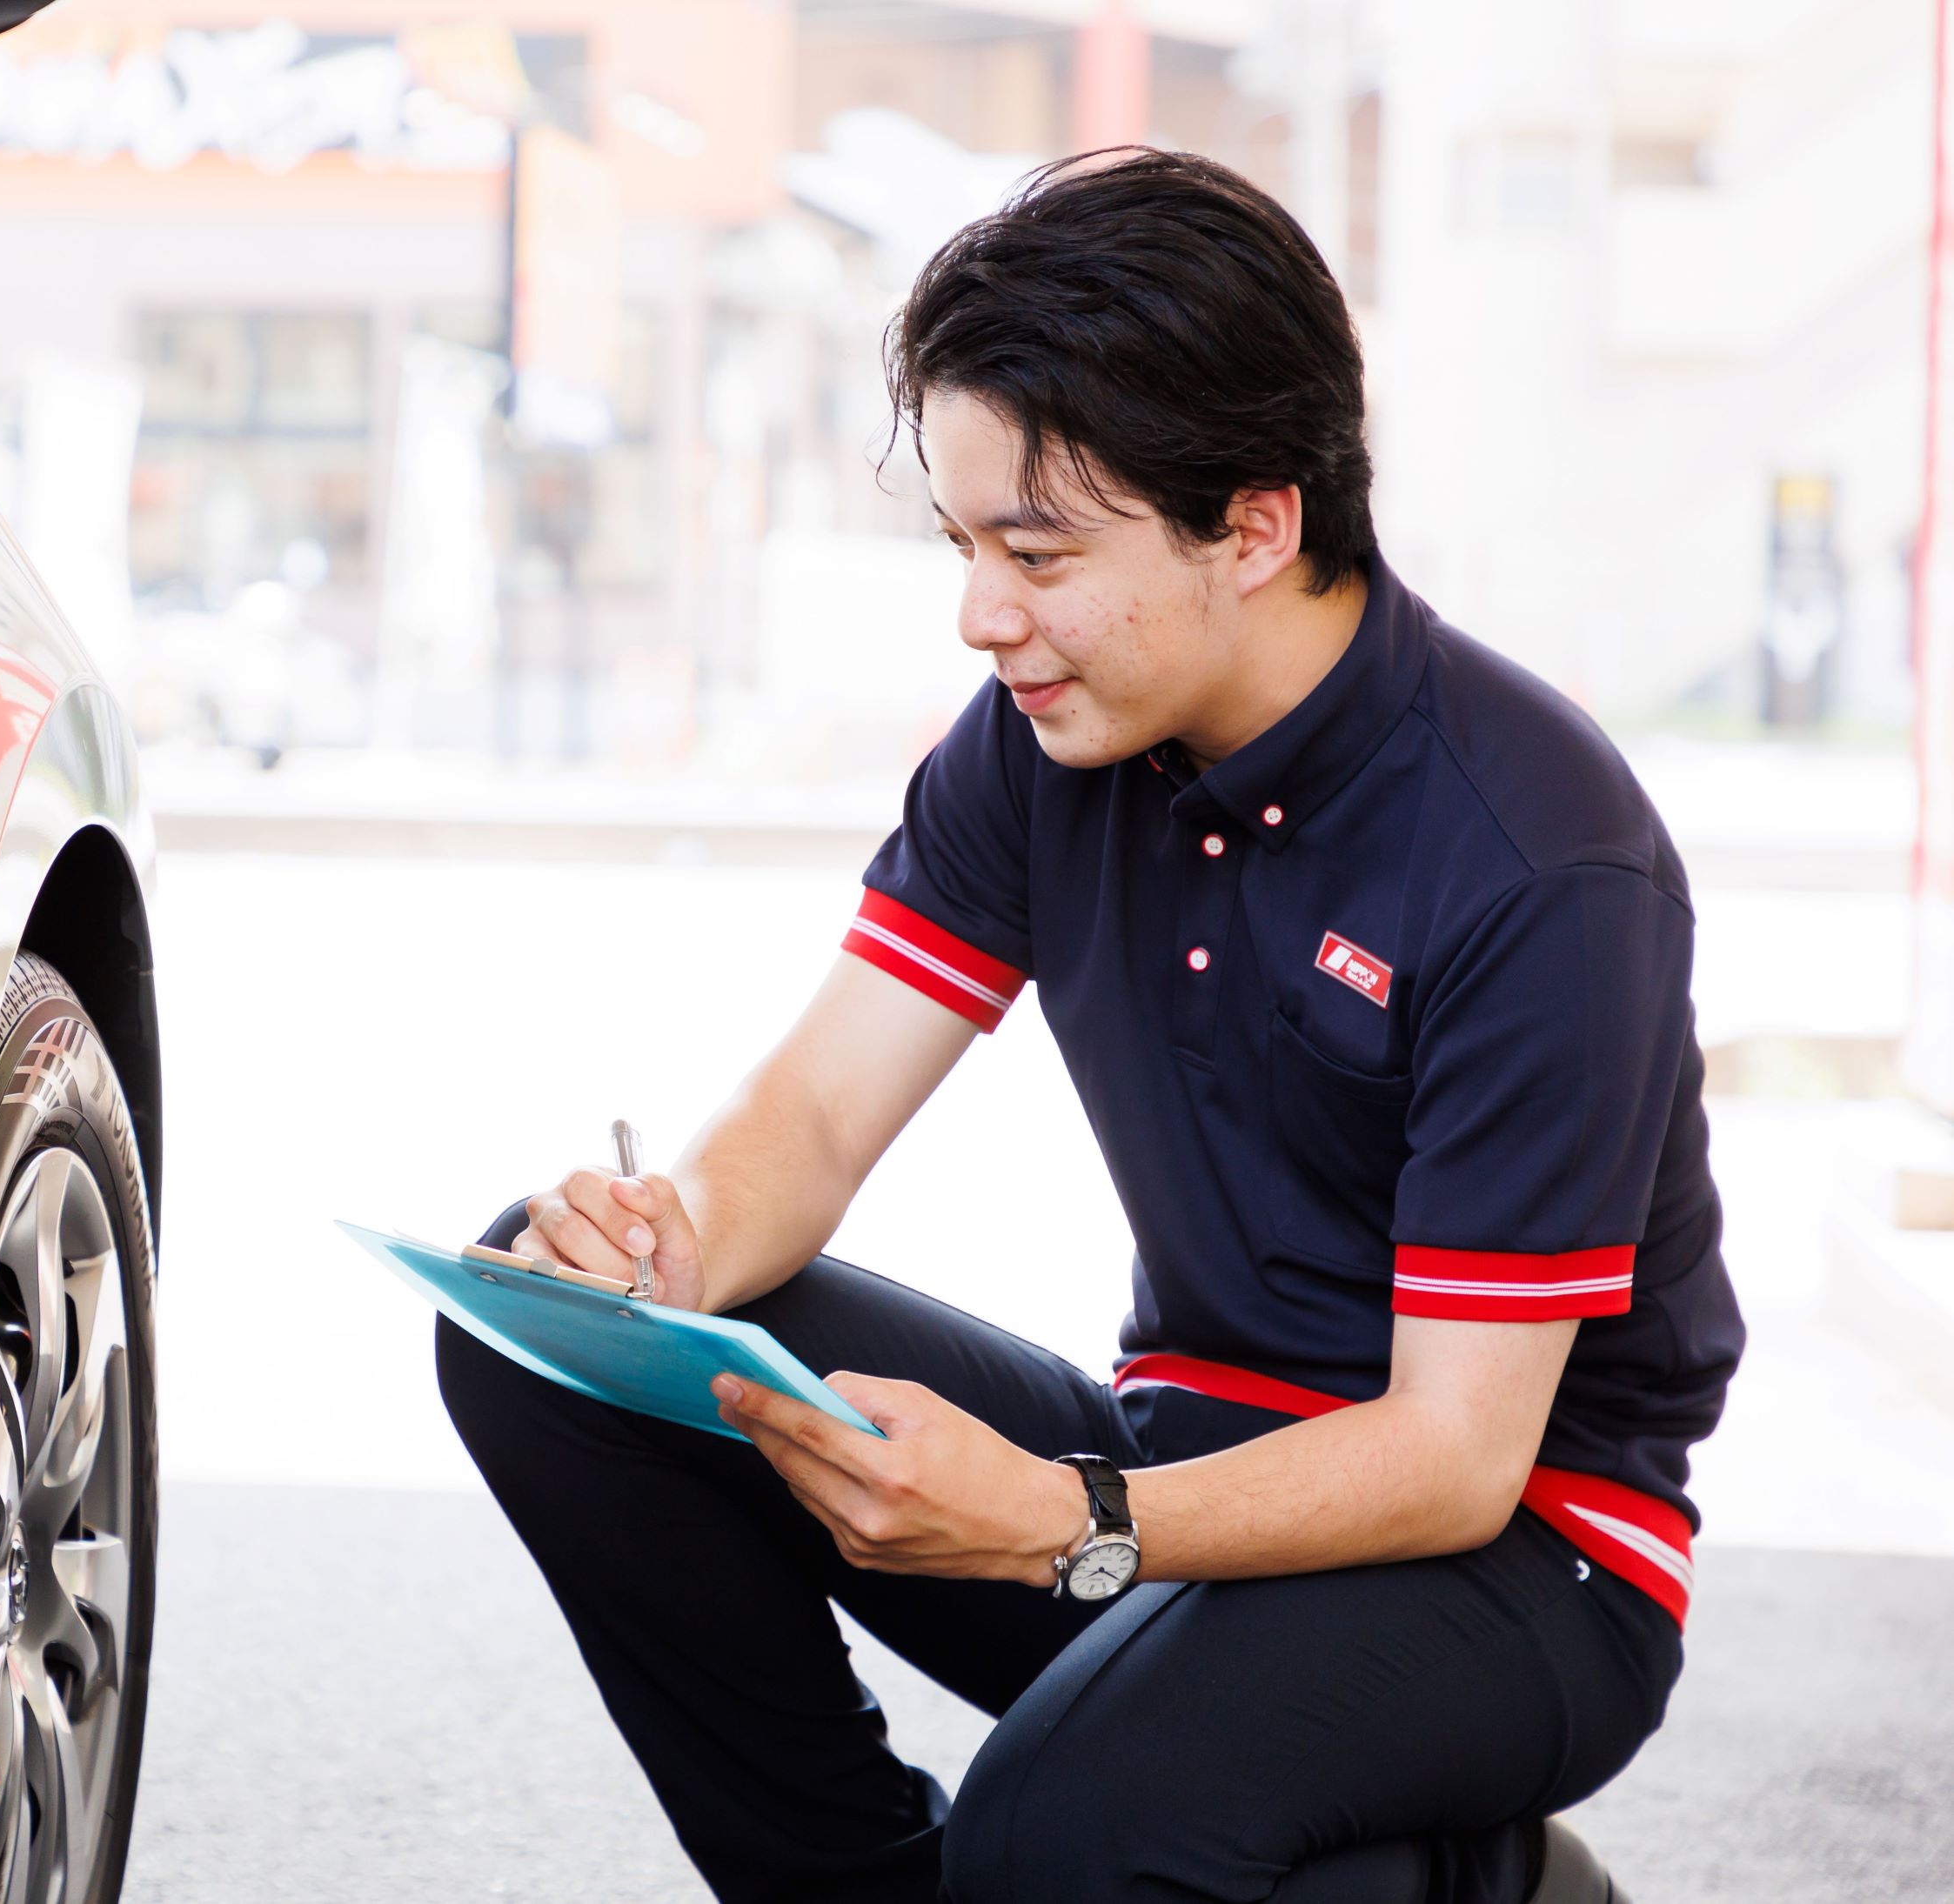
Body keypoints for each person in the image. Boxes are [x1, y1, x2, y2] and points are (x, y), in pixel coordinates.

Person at [441, 151, 1741, 1904]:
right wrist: (660, 1253)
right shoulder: (1039, 741)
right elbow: (815, 1119)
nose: (985, 615)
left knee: (1064, 1837)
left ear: (1254, 525)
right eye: (964, 544)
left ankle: (1478, 1884)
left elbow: (1452, 1454)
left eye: (1037, 552)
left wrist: (1060, 1522)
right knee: (542, 1330)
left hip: (1516, 1560)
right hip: (1175, 1466)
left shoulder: (1535, 858)